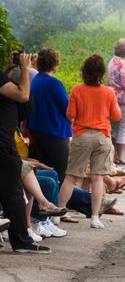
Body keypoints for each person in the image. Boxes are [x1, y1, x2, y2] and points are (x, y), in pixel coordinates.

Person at [57, 54, 121, 230]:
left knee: (71, 177)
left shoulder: (77, 90)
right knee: (98, 178)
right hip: (102, 137)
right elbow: (117, 116)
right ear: (102, 73)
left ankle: (58, 214)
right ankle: (94, 217)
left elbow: (70, 114)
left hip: (82, 136)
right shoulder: (108, 92)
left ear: (84, 71)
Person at [1, 51, 51, 253]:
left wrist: (9, 69)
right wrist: (23, 68)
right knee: (13, 193)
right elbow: (22, 94)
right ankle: (22, 241)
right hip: (3, 143)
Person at [28, 48, 73, 182]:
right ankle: (66, 201)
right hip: (55, 132)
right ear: (55, 64)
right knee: (63, 172)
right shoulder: (54, 83)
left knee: (47, 171)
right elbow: (67, 109)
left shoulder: (35, 80)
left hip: (38, 131)